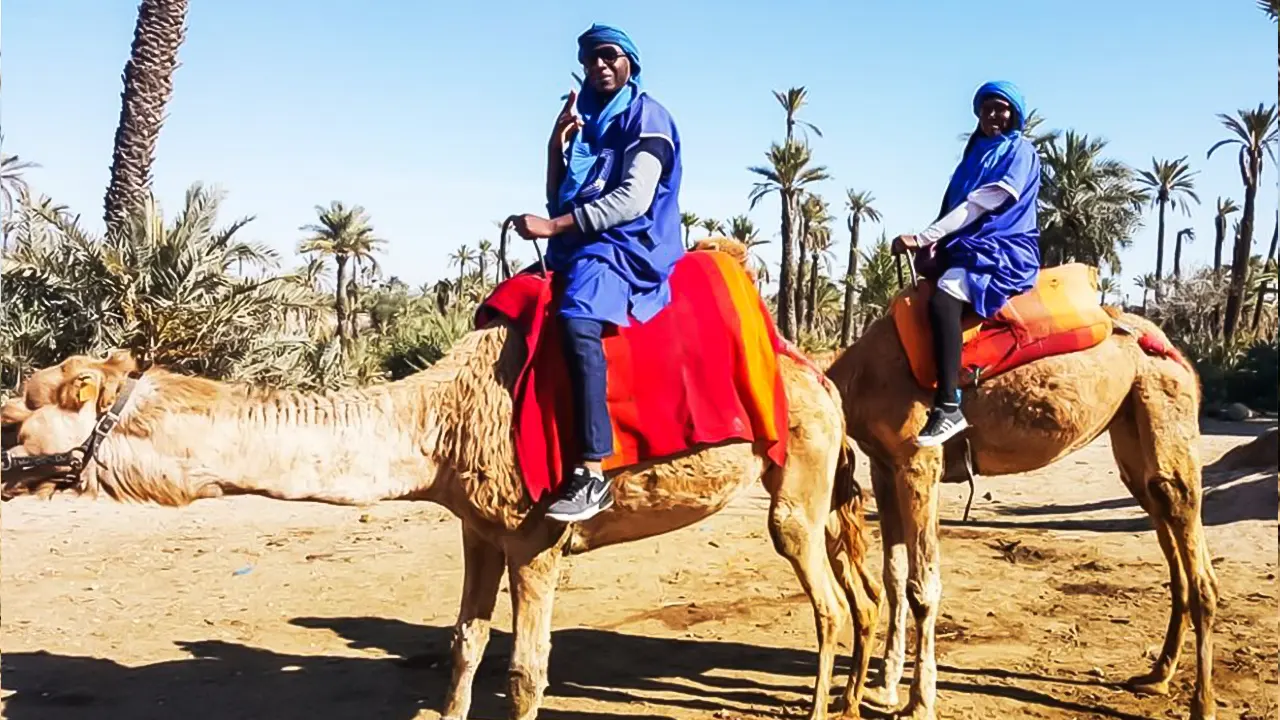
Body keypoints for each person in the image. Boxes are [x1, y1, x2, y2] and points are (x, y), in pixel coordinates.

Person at [511, 23, 684, 523]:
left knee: (577, 322)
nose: (600, 66)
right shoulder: (586, 122)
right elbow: (558, 198)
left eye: (609, 56)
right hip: (580, 241)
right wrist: (554, 145)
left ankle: (591, 471)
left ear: (629, 62)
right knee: (515, 301)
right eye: (591, 60)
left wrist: (555, 226)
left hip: (625, 244)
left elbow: (632, 200)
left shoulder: (648, 118)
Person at [892, 80, 1042, 448]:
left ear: (1014, 114)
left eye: (1001, 108)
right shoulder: (974, 154)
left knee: (945, 299)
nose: (993, 115)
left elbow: (983, 202)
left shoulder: (1019, 151)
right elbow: (955, 205)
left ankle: (948, 406)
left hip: (1001, 247)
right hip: (968, 245)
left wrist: (924, 237)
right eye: (987, 108)